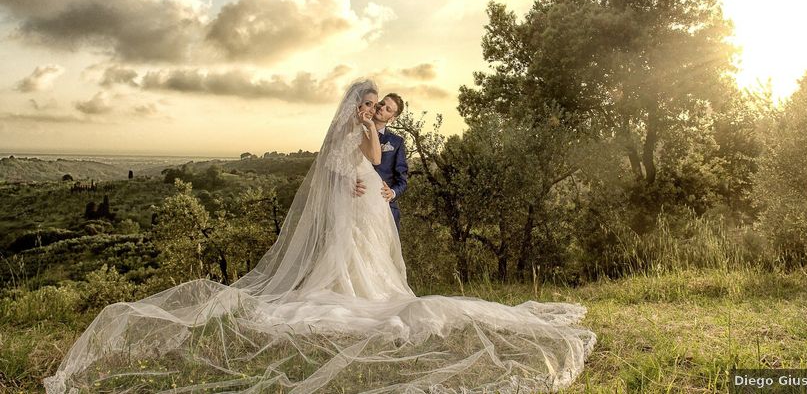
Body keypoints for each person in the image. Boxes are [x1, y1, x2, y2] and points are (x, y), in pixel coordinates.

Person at [44, 79, 595, 393]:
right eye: (374, 104)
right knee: (347, 261)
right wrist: (357, 158)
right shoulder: (349, 127)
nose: (378, 110)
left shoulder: (382, 134)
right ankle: (352, 292)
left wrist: (376, 160)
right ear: (364, 103)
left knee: (373, 261)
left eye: (384, 108)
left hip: (376, 201)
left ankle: (368, 292)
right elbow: (334, 166)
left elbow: (385, 166)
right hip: (352, 197)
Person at [355, 92, 407, 232]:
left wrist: (392, 192)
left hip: (384, 209)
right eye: (382, 103)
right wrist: (348, 181)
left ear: (392, 119)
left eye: (388, 109)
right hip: (355, 202)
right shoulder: (355, 131)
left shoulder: (397, 143)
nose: (382, 108)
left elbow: (402, 180)